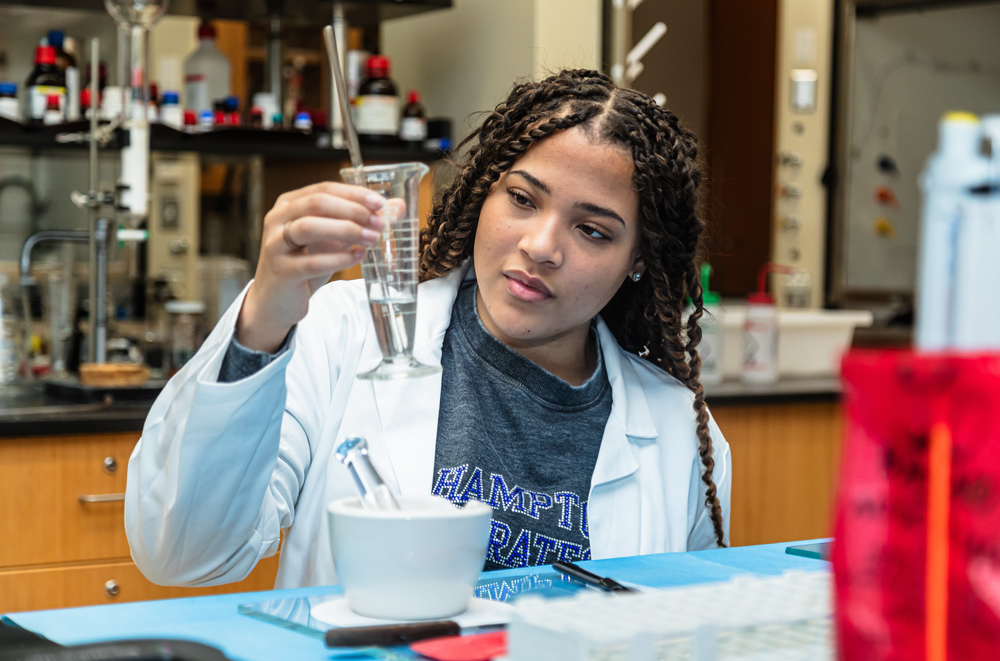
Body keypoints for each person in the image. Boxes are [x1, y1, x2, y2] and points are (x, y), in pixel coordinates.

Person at [125, 68, 730, 589]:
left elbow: (687, 629)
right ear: (483, 192)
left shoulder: (677, 429)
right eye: (522, 199)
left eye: (593, 230)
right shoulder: (340, 332)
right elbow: (184, 554)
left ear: (640, 261)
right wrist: (264, 319)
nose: (541, 246)